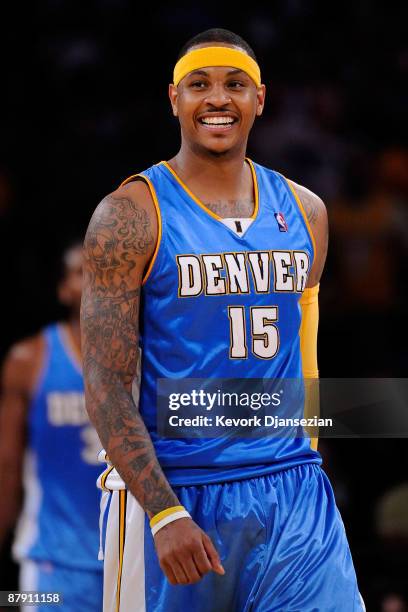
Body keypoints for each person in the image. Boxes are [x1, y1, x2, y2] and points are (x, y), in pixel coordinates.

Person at [81, 28, 365, 611]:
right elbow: (105, 381)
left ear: (260, 99)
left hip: (290, 487)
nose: (217, 98)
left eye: (235, 84)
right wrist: (163, 512)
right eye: (198, 85)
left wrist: (310, 460)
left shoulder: (306, 211)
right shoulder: (130, 214)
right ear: (173, 99)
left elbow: (304, 357)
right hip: (175, 488)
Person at [0, 243, 103, 611]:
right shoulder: (30, 359)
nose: (96, 280)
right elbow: (7, 465)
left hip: (130, 560)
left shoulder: (145, 357)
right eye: (82, 271)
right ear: (64, 290)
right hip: (52, 561)